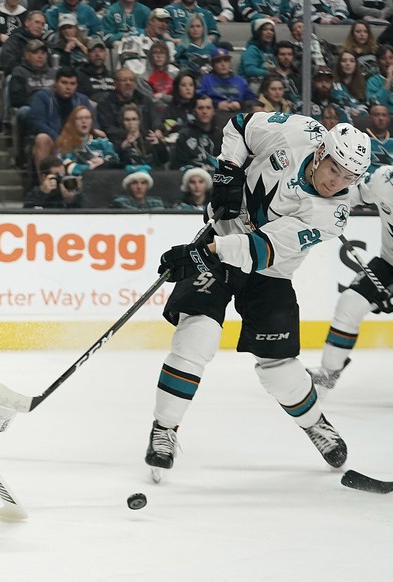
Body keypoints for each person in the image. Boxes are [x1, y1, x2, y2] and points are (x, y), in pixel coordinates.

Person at [144, 113, 371, 481]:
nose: (337, 182)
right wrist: (229, 170)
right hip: (220, 235)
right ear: (319, 153)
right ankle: (164, 428)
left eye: (349, 177)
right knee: (196, 336)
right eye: (334, 169)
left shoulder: (333, 215)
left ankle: (315, 423)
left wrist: (203, 253)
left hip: (267, 271)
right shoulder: (297, 131)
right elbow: (241, 125)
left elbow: (261, 249)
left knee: (280, 369)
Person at [308, 149, 393, 393]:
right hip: (388, 262)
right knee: (350, 302)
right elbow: (356, 194)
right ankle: (330, 371)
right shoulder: (385, 181)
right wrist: (332, 207)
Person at [30, 67, 96, 177]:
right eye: (64, 83)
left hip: (78, 144)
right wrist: (60, 140)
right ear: (55, 83)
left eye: (72, 83)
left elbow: (92, 123)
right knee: (42, 138)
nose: (68, 87)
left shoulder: (82, 100)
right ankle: (45, 184)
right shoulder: (42, 97)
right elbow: (38, 123)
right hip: (55, 147)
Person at [56, 105, 119, 176]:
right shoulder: (65, 143)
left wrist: (103, 162)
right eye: (80, 118)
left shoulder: (102, 141)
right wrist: (91, 168)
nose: (84, 121)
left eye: (87, 118)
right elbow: (66, 165)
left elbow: (114, 160)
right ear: (73, 122)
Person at [199, 47, 257, 114]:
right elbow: (200, 99)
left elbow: (253, 100)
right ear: (213, 65)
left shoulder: (241, 81)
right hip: (215, 114)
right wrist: (216, 105)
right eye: (218, 61)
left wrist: (240, 104)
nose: (223, 64)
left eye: (226, 60)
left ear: (229, 62)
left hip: (239, 114)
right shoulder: (206, 80)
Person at [114, 103, 168, 173]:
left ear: (139, 120)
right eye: (127, 120)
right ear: (122, 122)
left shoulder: (149, 136)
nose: (131, 122)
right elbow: (116, 164)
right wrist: (123, 147)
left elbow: (165, 159)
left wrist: (159, 144)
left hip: (154, 173)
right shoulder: (118, 139)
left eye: (134, 119)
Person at [174, 94, 221, 171]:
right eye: (200, 108)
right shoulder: (184, 135)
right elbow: (179, 164)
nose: (204, 111)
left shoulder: (221, 136)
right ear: (194, 111)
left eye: (208, 108)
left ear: (213, 112)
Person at [364, 103, 393, 172]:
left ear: (388, 119)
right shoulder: (362, 140)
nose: (381, 118)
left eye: (384, 115)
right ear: (369, 118)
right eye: (376, 115)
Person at [238, 18, 277, 92]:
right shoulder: (252, 49)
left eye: (271, 30)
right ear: (258, 32)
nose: (269, 32)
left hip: (269, 84)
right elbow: (250, 70)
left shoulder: (272, 50)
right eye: (265, 29)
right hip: (250, 85)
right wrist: (271, 73)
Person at [174, 12, 216, 79]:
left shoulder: (211, 47)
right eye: (192, 26)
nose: (195, 29)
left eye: (198, 26)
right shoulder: (182, 48)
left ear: (203, 28)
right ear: (188, 29)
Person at [331, 50, 369, 122]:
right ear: (339, 64)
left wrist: (360, 111)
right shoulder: (334, 84)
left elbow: (365, 107)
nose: (348, 64)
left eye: (352, 61)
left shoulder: (362, 85)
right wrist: (351, 110)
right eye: (344, 61)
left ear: (356, 65)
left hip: (359, 119)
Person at [75, 38, 115, 105]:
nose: (97, 54)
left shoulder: (113, 76)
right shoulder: (79, 75)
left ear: (106, 55)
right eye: (93, 51)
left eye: (100, 51)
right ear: (87, 55)